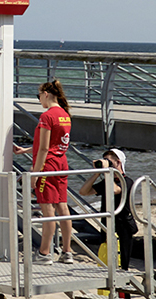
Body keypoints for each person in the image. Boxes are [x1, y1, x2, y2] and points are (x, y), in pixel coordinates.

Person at [14, 80, 74, 264]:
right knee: (62, 207)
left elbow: (44, 148)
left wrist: (36, 172)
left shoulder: (47, 116)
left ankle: (44, 252)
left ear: (46, 94)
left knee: (48, 211)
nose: (39, 99)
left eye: (38, 96)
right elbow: (55, 143)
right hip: (61, 163)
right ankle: (67, 251)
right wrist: (26, 150)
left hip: (47, 166)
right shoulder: (65, 115)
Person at [77, 148, 137, 270]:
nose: (106, 163)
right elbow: (84, 191)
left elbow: (115, 190)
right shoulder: (106, 180)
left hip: (123, 226)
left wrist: (106, 172)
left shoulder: (127, 181)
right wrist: (97, 173)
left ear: (118, 162)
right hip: (107, 225)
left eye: (109, 161)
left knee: (121, 263)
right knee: (106, 261)